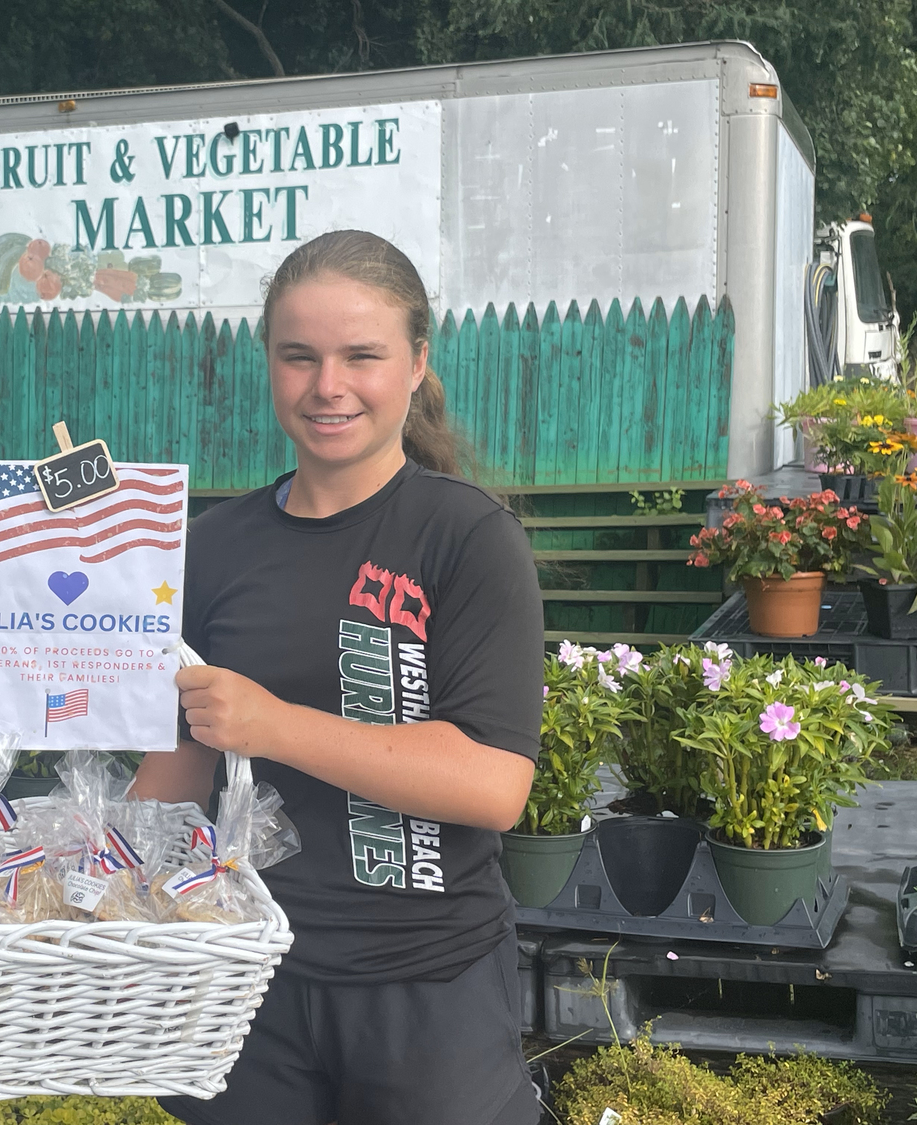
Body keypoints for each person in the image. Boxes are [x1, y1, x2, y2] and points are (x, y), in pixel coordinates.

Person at [132, 230, 544, 1125]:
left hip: (427, 988)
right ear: (270, 364)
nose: (329, 385)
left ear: (416, 362)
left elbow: (492, 782)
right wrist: (81, 877)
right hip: (241, 980)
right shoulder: (212, 547)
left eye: (362, 355)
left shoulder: (468, 539)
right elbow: (174, 776)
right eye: (299, 356)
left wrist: (275, 724)